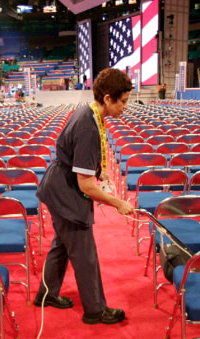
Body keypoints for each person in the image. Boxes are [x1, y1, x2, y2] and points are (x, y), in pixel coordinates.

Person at [35, 68, 135, 325]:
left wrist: (98, 172)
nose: (126, 106)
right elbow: (85, 186)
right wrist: (118, 203)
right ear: (108, 99)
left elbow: (78, 159)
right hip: (65, 193)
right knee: (85, 253)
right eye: (123, 101)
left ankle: (46, 294)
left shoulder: (87, 112)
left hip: (58, 185)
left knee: (61, 245)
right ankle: (96, 310)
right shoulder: (89, 126)